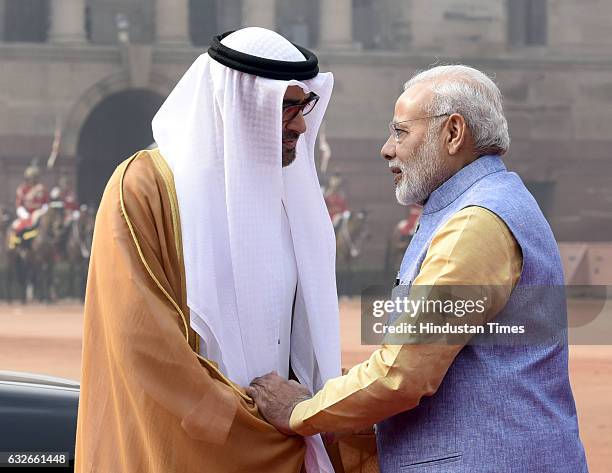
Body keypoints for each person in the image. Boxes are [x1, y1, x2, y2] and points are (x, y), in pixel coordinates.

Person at [247, 65, 589, 473]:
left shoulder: (474, 223)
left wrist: (300, 410)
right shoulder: (484, 204)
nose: (387, 149)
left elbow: (405, 372)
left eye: (400, 132)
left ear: (453, 133)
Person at [75, 28, 342, 473]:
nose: (300, 123)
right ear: (234, 105)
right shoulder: (145, 189)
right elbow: (147, 347)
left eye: (304, 105)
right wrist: (252, 428)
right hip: (192, 446)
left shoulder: (289, 198)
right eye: (286, 107)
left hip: (280, 438)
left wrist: (301, 414)